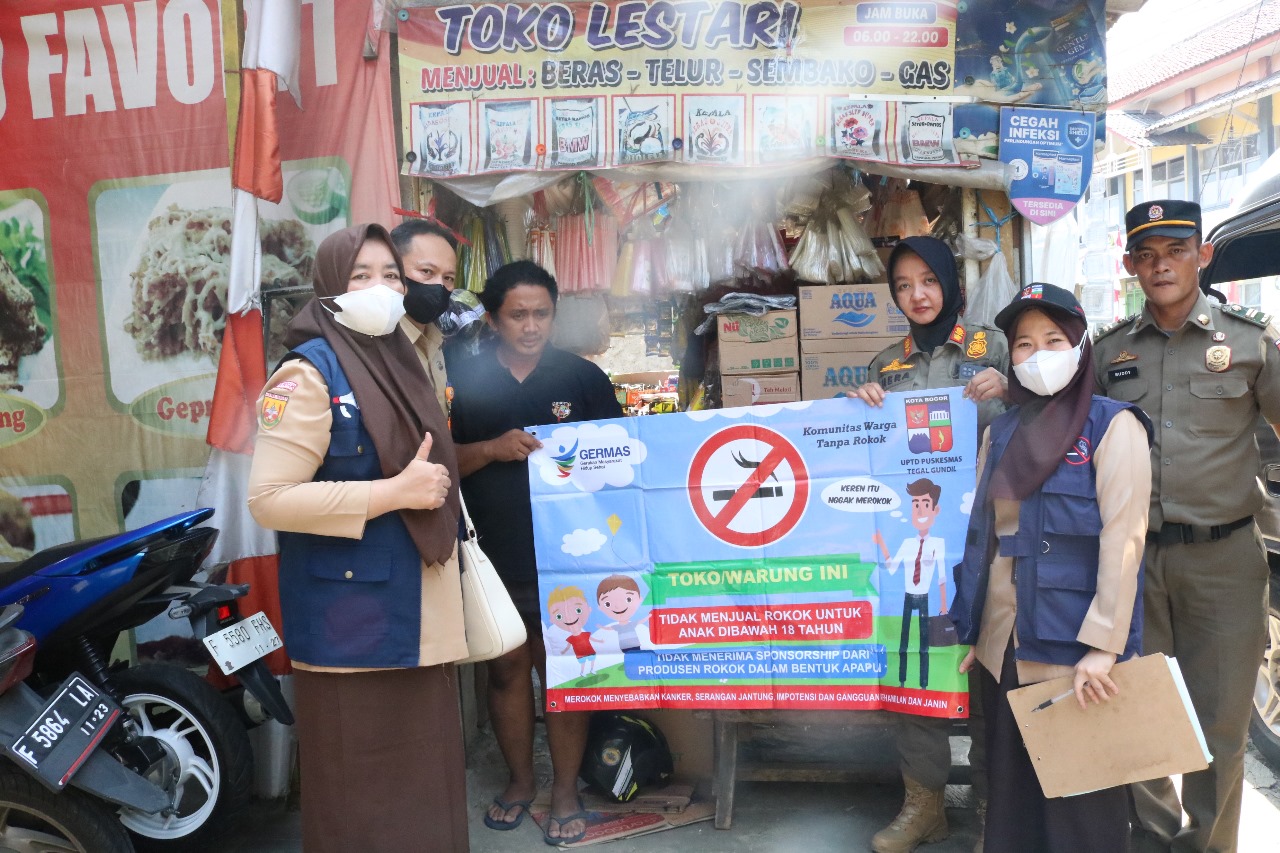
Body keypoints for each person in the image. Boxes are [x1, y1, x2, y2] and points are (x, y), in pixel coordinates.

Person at [246, 224, 468, 852]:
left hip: (417, 610)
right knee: (360, 799)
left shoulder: (400, 360)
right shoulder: (307, 374)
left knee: (426, 791)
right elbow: (269, 499)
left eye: (392, 275)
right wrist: (391, 493)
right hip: (352, 626)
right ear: (328, 288)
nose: (381, 287)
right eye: (360, 276)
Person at [1093, 199, 1280, 853]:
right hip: (1134, 563)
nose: (1161, 264)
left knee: (1220, 727)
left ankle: (1207, 845)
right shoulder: (1109, 350)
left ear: (1202, 255)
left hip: (1224, 561)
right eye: (1146, 254)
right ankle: (1154, 838)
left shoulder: (1251, 341)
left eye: (1175, 249)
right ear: (1129, 267)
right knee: (1136, 718)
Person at [952, 282, 1153, 853]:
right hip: (1006, 647)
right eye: (1022, 344)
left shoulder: (1114, 427)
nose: (1037, 354)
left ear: (1080, 346)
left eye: (1053, 339)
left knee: (1081, 813)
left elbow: (1125, 541)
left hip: (1076, 655)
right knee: (1012, 807)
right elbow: (984, 537)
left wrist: (1105, 647)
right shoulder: (1003, 430)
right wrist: (974, 630)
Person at [449, 260, 624, 845]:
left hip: (571, 556)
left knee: (566, 673)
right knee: (504, 671)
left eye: (541, 314)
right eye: (517, 315)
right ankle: (522, 782)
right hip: (491, 553)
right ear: (494, 319)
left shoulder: (582, 379)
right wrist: (493, 449)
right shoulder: (461, 378)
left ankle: (566, 789)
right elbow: (437, 461)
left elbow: (621, 462)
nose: (530, 326)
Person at [847, 235, 1008, 853]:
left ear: (950, 283)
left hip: (990, 539)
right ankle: (924, 806)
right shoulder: (884, 366)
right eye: (903, 285)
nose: (917, 295)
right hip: (916, 542)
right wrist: (861, 409)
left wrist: (1011, 387)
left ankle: (998, 808)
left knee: (992, 668)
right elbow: (866, 454)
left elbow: (1042, 414)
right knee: (916, 663)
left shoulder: (993, 346)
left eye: (928, 281)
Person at [873, 478, 947, 690]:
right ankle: (902, 682)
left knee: (925, 644)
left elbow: (942, 576)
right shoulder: (907, 544)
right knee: (903, 643)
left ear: (936, 510)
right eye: (916, 505)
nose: (920, 511)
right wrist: (882, 544)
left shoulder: (938, 544)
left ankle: (924, 685)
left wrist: (943, 604)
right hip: (907, 597)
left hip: (924, 599)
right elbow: (892, 567)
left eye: (925, 504)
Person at [389, 218, 459, 416]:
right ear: (393, 272)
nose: (439, 286)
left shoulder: (435, 341)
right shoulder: (381, 345)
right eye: (427, 272)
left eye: (448, 278)